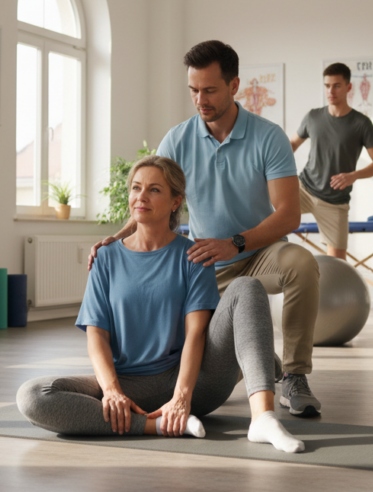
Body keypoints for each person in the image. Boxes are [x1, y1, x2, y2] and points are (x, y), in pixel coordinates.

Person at [88, 40, 323, 417]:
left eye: (210, 90)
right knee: (195, 342)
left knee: (301, 263)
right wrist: (116, 239)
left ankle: (294, 375)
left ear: (234, 86)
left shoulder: (268, 137)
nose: (200, 100)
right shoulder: (177, 139)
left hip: (258, 252)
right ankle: (260, 358)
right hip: (202, 263)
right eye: (194, 91)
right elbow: (147, 196)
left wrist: (236, 243)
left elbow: (289, 215)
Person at [18, 156, 303, 453]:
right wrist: (113, 392)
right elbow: (96, 335)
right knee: (33, 395)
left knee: (247, 286)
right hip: (130, 386)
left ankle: (263, 417)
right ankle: (157, 425)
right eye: (136, 188)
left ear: (175, 201)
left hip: (193, 384)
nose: (141, 196)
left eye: (154, 190)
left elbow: (196, 334)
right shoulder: (105, 258)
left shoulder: (194, 255)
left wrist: (181, 398)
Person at [289, 62, 373, 259]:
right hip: (304, 189)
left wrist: (353, 176)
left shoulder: (361, 123)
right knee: (266, 222)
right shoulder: (313, 117)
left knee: (337, 265)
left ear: (349, 87)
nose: (330, 91)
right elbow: (291, 145)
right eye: (327, 86)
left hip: (335, 202)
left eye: (336, 86)